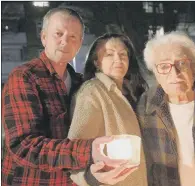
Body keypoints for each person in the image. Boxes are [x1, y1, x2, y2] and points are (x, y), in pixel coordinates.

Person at [1, 7, 133, 186]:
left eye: (72, 37)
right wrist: (90, 150)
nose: (65, 42)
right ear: (44, 37)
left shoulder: (81, 84)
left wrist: (94, 174)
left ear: (79, 44)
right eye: (58, 34)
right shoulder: (25, 77)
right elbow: (23, 146)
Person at [137, 31, 195, 186]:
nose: (174, 73)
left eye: (181, 63)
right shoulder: (146, 104)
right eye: (163, 66)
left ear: (194, 67)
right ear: (155, 72)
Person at [67, 33, 148, 186]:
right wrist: (88, 178)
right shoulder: (92, 92)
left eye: (123, 54)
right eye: (109, 54)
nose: (118, 59)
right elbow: (75, 147)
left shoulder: (131, 94)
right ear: (97, 62)